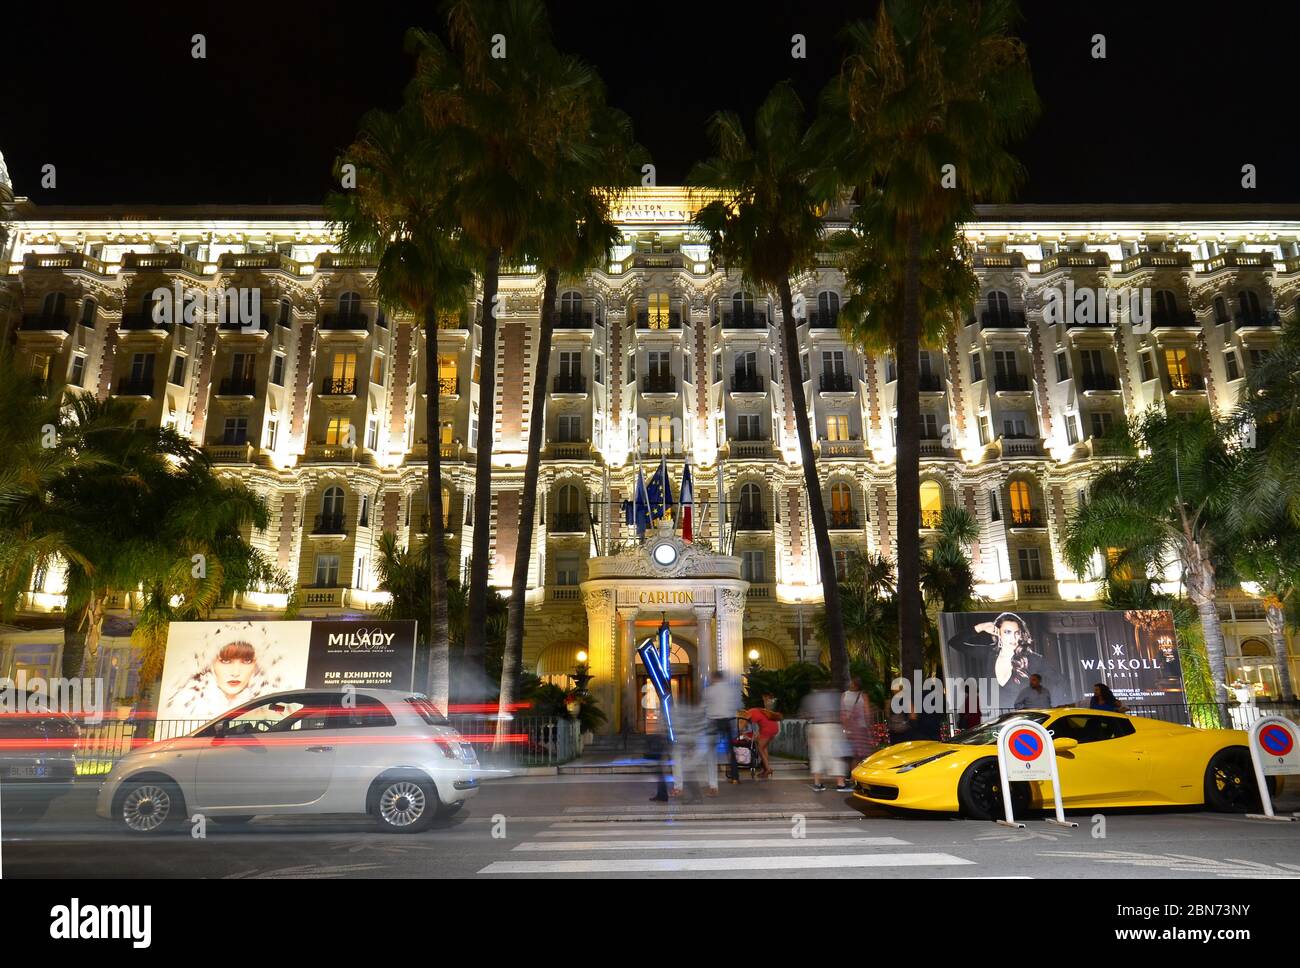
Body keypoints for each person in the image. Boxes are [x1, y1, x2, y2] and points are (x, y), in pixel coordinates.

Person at [945, 612, 1067, 713]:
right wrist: (980, 627)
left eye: (1017, 633)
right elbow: (955, 643)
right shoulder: (988, 654)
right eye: (1007, 632)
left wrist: (1050, 709)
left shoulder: (1033, 659)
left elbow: (1060, 681)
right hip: (994, 723)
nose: (1013, 638)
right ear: (998, 633)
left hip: (1023, 723)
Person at [167, 640, 277, 721]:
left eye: (247, 661)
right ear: (210, 663)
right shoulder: (185, 707)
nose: (235, 672)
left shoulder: (269, 706)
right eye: (225, 660)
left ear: (257, 665)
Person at [801, 687, 853, 792]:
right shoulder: (834, 695)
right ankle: (840, 784)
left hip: (815, 726)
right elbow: (842, 713)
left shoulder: (810, 698)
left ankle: (817, 783)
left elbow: (805, 714)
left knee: (816, 756)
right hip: (831, 726)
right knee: (836, 755)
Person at [704, 670, 741, 788]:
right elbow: (736, 705)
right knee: (730, 749)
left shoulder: (709, 690)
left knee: (711, 751)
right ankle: (735, 777)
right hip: (728, 721)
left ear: (714, 678)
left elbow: (705, 706)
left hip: (714, 721)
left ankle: (712, 780)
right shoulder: (730, 690)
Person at [744, 695, 783, 778]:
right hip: (774, 728)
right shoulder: (759, 710)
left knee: (760, 748)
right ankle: (765, 769)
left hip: (767, 730)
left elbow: (751, 727)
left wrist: (744, 734)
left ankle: (768, 769)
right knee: (764, 748)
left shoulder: (750, 712)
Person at [841, 677, 878, 763]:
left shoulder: (844, 695)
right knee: (864, 756)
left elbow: (842, 714)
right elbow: (867, 713)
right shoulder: (863, 696)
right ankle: (861, 774)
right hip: (862, 729)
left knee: (854, 756)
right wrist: (870, 728)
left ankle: (852, 775)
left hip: (849, 730)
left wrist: (845, 727)